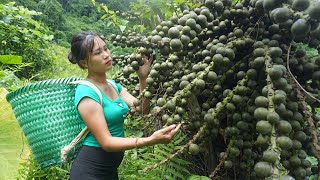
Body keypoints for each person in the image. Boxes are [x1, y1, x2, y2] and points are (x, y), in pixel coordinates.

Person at [67, 32, 181, 180]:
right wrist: (150, 141)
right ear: (84, 63)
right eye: (98, 53)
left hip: (109, 171)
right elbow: (106, 142)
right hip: (89, 171)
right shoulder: (86, 93)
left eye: (106, 49)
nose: (106, 55)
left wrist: (143, 78)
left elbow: (141, 108)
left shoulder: (114, 86)